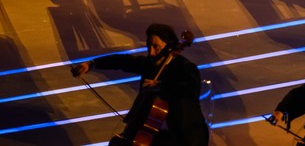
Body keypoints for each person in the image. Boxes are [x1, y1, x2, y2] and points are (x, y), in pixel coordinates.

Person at [70, 24, 209, 146]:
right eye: (149, 46)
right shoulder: (151, 64)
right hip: (155, 133)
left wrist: (161, 86)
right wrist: (92, 64)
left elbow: (189, 90)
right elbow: (123, 61)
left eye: (156, 46)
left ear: (169, 46)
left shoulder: (185, 67)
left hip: (183, 136)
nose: (151, 52)